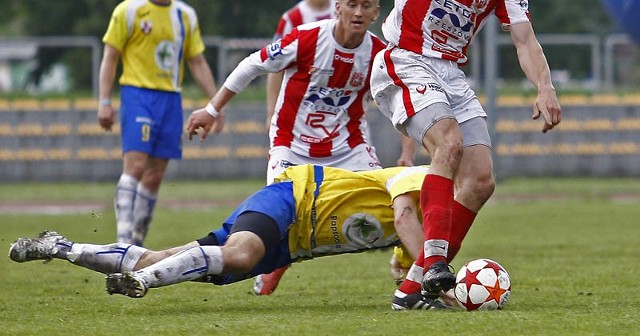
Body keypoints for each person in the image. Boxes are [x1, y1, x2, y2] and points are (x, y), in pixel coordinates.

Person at [257, 0, 562, 304]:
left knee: (479, 181)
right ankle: (435, 262)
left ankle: (414, 287)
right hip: (405, 59)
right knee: (449, 144)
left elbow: (524, 39)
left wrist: (544, 87)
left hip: (451, 75)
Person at [186, 0, 416, 294]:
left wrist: (407, 154)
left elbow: (404, 100)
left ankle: (404, 266)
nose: (358, 12)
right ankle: (276, 264)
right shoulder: (307, 37)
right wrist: (212, 109)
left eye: (366, 6)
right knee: (283, 219)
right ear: (338, 7)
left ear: (376, 12)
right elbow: (253, 64)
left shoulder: (379, 55)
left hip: (349, 148)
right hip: (291, 146)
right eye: (351, 4)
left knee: (389, 202)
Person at [9, 164, 449, 310]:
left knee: (160, 256)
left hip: (288, 246)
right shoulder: (422, 177)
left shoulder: (422, 226)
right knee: (240, 254)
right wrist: (436, 268)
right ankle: (144, 284)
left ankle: (61, 246)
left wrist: (426, 287)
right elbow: (405, 214)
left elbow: (400, 266)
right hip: (295, 198)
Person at [97, 0, 224, 247]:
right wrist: (104, 101)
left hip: (171, 100)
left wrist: (215, 103)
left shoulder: (185, 15)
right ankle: (123, 240)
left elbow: (197, 61)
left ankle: (137, 242)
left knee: (154, 177)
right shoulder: (128, 10)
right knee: (136, 166)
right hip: (137, 95)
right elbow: (110, 56)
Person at [266, 0, 338, 130]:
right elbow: (275, 67)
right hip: (300, 107)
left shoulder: (343, 13)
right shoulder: (291, 19)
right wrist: (271, 112)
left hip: (337, 104)